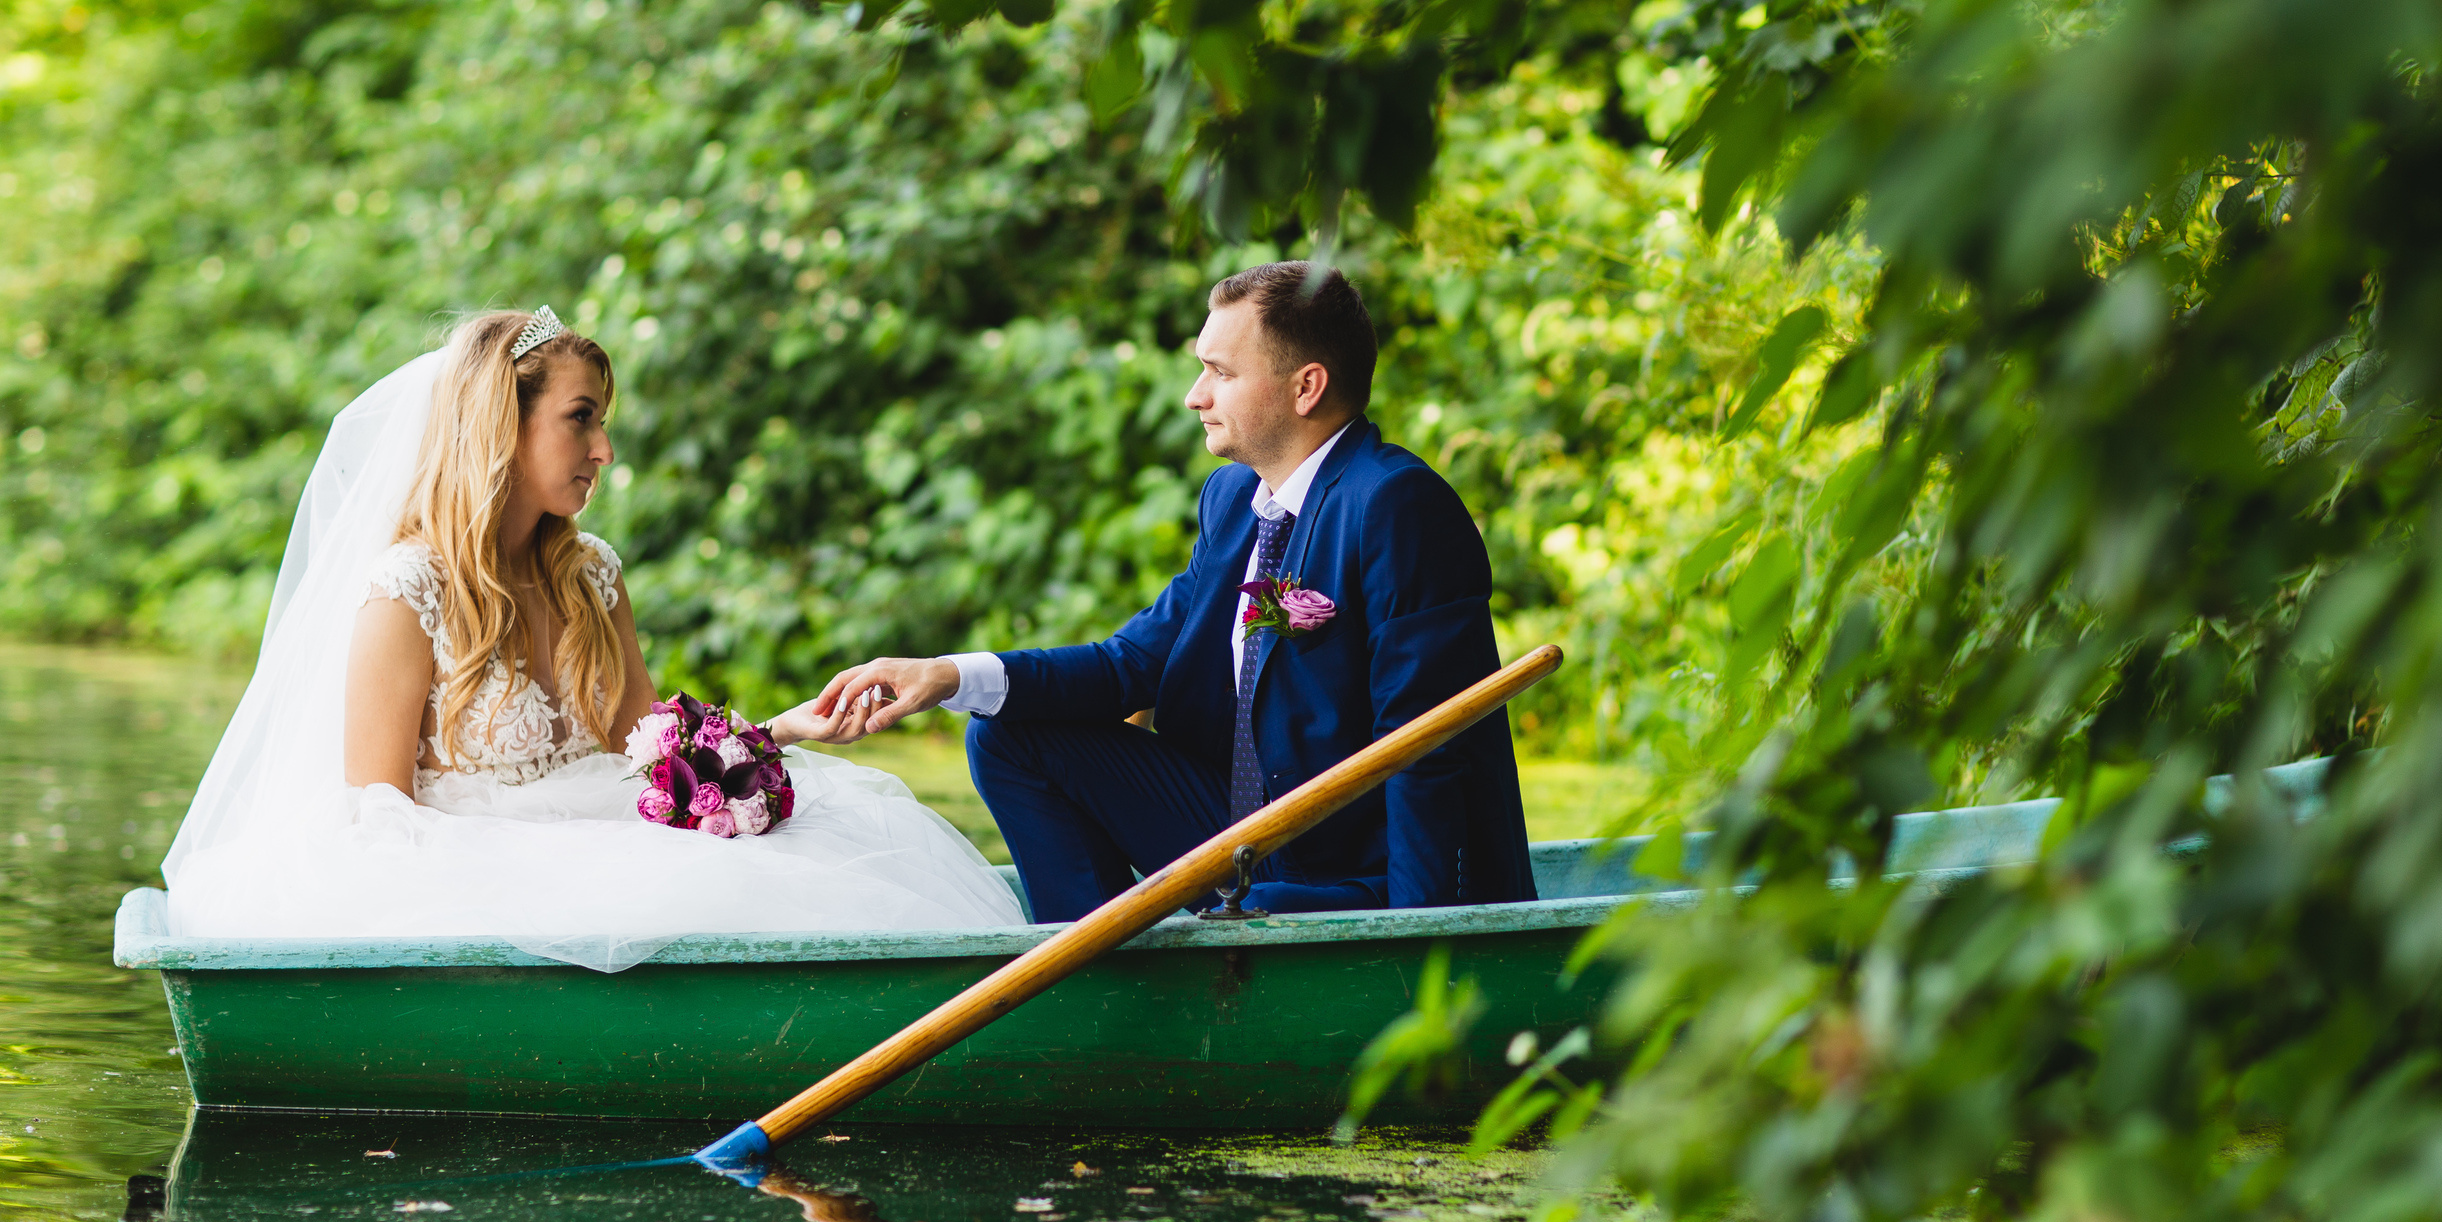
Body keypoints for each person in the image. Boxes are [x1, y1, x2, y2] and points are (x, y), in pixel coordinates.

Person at [162, 309, 1024, 969]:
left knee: (823, 860)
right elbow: (375, 816)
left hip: (614, 837)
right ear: (504, 421)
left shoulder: (592, 573)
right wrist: (521, 876)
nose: (604, 448)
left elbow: (648, 758)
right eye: (581, 418)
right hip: (476, 872)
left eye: (602, 421)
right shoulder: (406, 589)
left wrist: (784, 731)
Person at [814, 261, 1533, 923]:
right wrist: (948, 676)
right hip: (1239, 826)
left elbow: (1424, 750)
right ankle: (1099, 971)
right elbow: (1132, 664)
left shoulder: (1394, 504)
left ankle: (1178, 956)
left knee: (1260, 904)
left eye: (1219, 371)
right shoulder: (1233, 498)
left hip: (1350, 868)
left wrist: (1422, 939)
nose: (1195, 396)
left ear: (1305, 386)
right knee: (1006, 732)